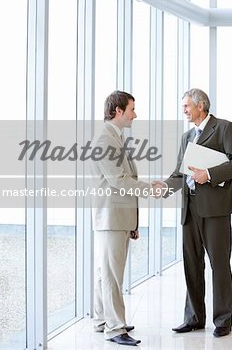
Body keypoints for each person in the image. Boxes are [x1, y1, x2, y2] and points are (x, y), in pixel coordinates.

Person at [154, 88, 232, 338]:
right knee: (192, 264)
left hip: (215, 210)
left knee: (219, 265)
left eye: (186, 106)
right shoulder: (187, 136)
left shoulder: (224, 128)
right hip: (190, 209)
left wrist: (208, 175)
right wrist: (163, 187)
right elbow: (179, 173)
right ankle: (194, 318)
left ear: (201, 106)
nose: (183, 110)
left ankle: (223, 320)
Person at [91, 90, 156, 347]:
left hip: (118, 217)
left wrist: (133, 223)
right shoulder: (105, 139)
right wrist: (150, 188)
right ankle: (114, 327)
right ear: (118, 111)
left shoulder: (114, 137)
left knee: (103, 273)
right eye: (132, 109)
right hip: (111, 217)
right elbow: (118, 180)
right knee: (111, 276)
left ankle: (101, 320)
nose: (135, 114)